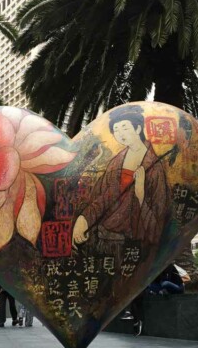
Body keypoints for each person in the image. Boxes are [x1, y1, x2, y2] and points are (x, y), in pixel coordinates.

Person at [72, 105, 169, 261]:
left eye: (124, 128)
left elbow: (159, 214)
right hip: (106, 237)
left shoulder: (154, 165)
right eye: (116, 130)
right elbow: (104, 196)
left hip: (134, 242)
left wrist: (141, 195)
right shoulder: (116, 162)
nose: (120, 133)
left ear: (137, 129)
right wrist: (84, 218)